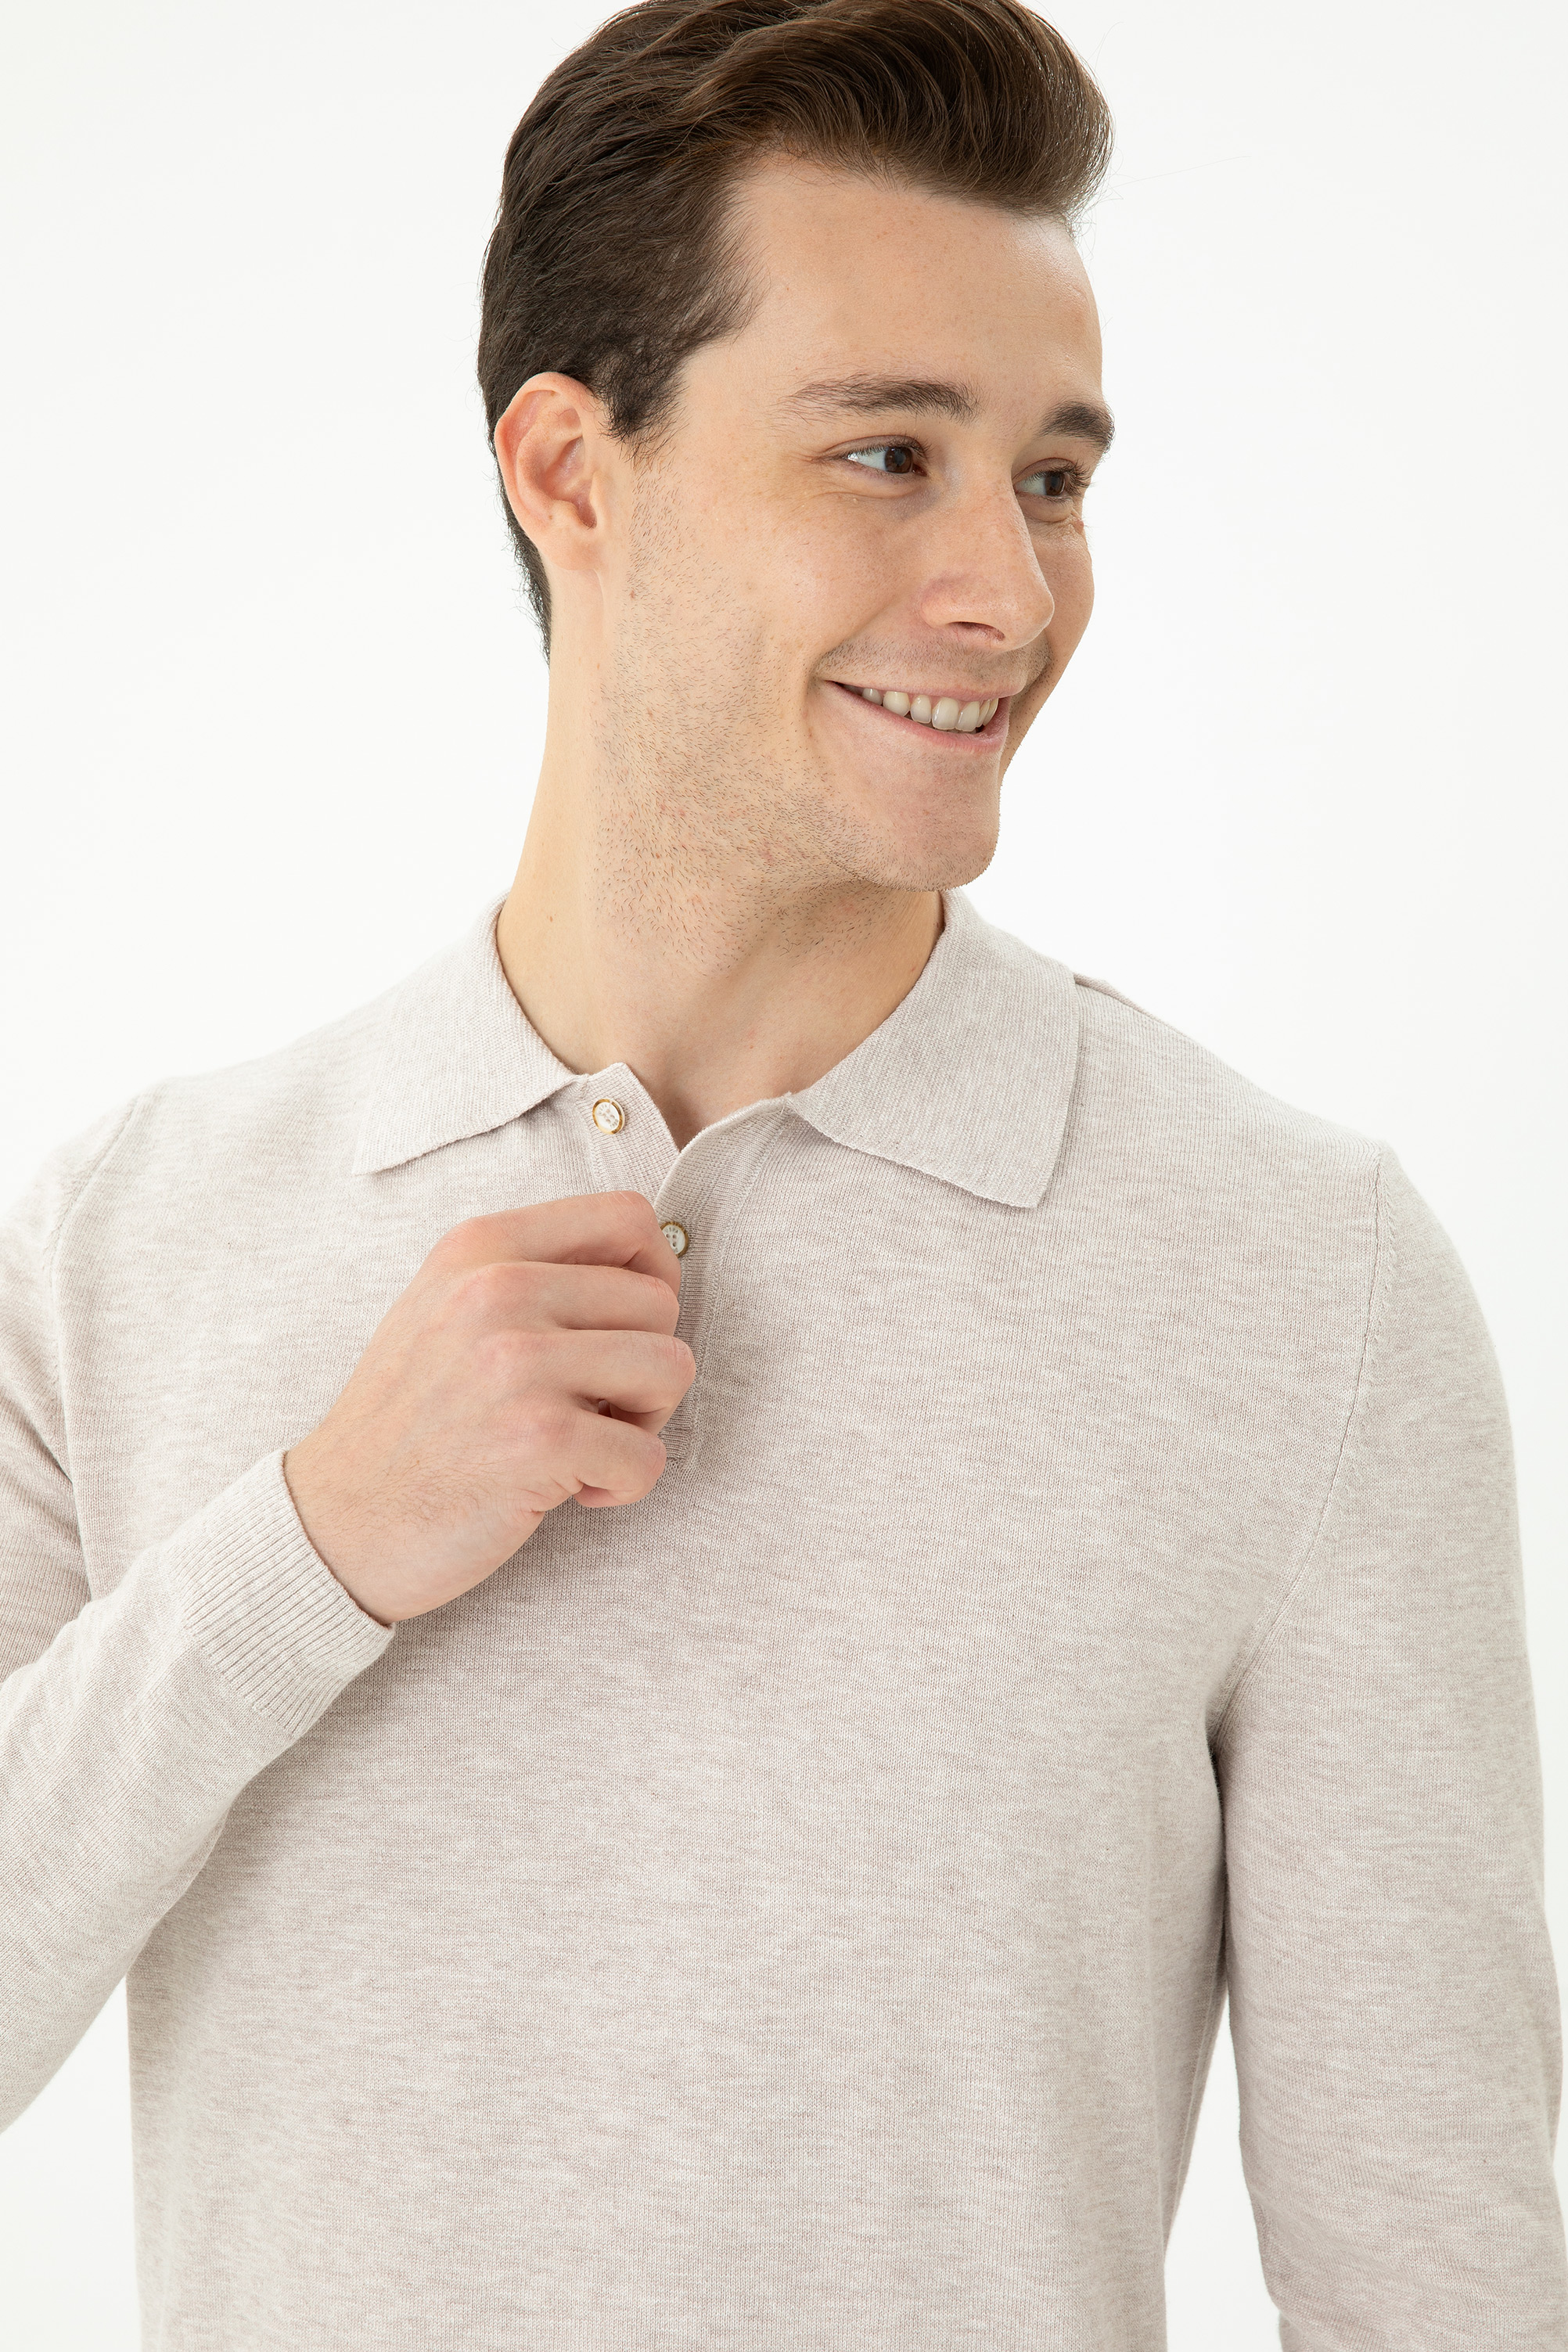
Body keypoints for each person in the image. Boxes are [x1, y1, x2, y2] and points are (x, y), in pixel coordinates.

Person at [2, 0, 1563, 2341]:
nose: (1008, 596)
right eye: (885, 456)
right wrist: (314, 1544)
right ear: (571, 471)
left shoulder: (1296, 1274)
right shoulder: (141, 1227)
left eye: (1052, 477)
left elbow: (1435, 2277)